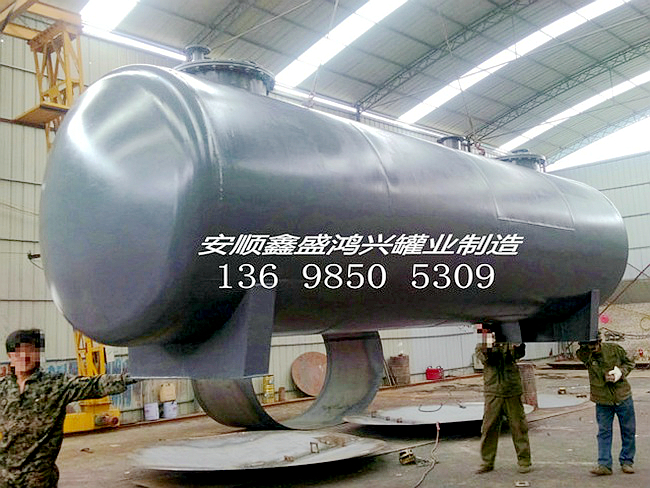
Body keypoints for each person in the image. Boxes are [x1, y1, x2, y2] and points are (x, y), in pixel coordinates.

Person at [0, 329, 137, 487]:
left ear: (38, 354)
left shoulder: (56, 385)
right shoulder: (3, 388)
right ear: (10, 356)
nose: (24, 357)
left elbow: (94, 385)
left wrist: (132, 377)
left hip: (38, 479)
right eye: (18, 352)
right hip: (5, 477)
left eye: (30, 350)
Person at [475, 329, 531, 474]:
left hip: (511, 389)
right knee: (489, 427)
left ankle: (524, 460)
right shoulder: (483, 343)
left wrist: (518, 345)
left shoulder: (509, 340)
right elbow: (485, 359)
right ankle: (487, 462)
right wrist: (489, 345)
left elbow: (518, 354)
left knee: (518, 426)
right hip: (493, 390)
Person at [577, 338, 636, 475]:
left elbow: (630, 362)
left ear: (599, 342)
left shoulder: (614, 349)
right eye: (589, 345)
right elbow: (582, 354)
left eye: (594, 344)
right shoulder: (586, 355)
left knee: (628, 430)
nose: (592, 348)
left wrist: (620, 372)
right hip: (602, 400)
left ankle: (627, 461)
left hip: (622, 396)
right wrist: (583, 344)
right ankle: (604, 464)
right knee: (604, 432)